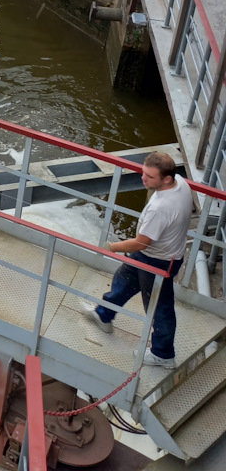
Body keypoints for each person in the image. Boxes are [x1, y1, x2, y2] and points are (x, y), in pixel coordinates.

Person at [84, 152, 193, 367]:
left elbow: (141, 243)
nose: (143, 179)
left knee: (159, 306)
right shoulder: (180, 183)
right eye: (143, 173)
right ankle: (104, 314)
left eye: (149, 177)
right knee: (124, 278)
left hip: (158, 261)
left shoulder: (159, 208)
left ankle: (163, 354)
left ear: (167, 179)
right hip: (158, 255)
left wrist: (112, 247)